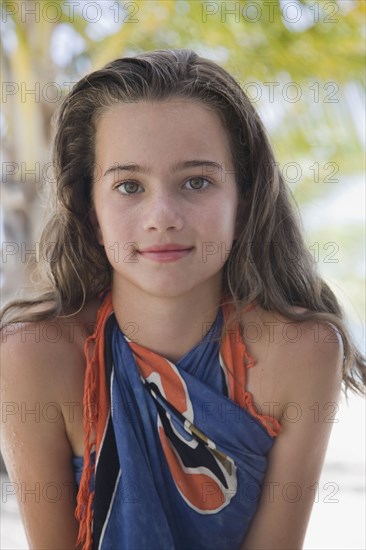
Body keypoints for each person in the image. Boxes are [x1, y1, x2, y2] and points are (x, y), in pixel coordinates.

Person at [1, 48, 365, 550]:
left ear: (245, 200)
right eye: (129, 186)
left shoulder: (302, 352)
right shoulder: (34, 355)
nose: (163, 215)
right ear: (91, 212)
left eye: (197, 181)